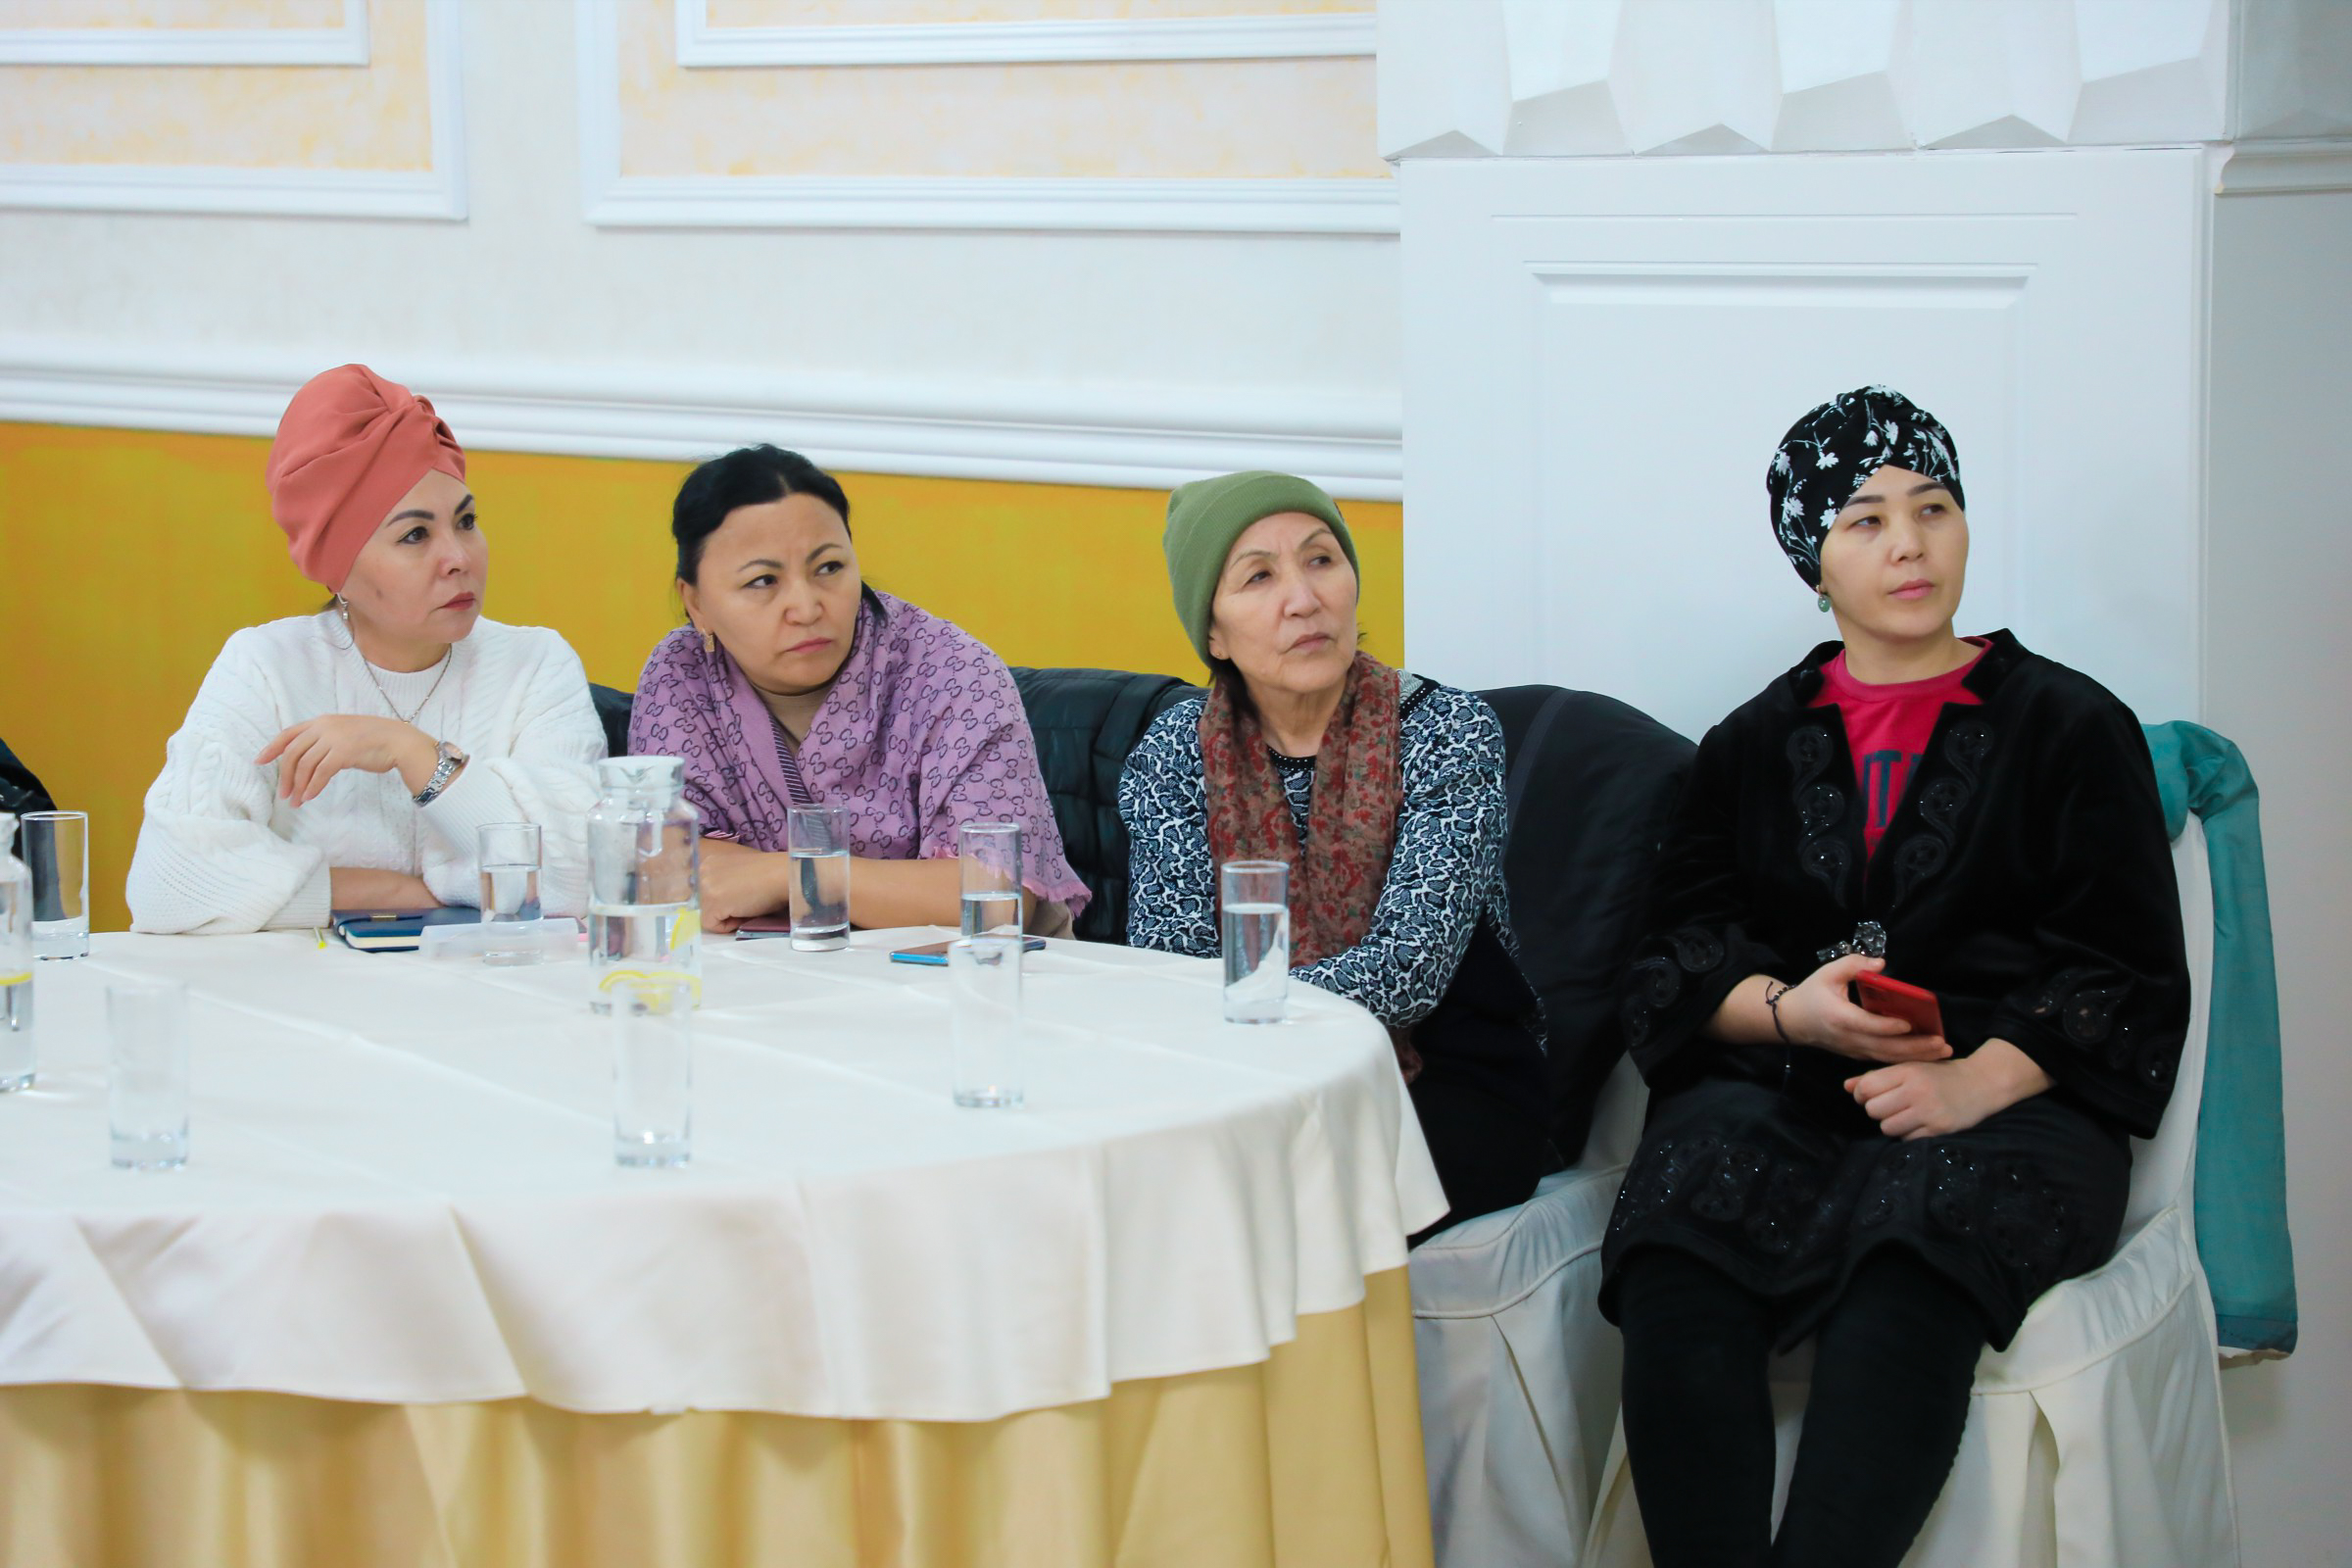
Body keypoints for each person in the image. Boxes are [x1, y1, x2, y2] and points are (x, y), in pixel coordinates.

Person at [1601, 388, 2189, 1567]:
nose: (1909, 544)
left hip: (2012, 1105)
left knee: (1912, 1253)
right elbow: (1669, 958)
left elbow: (2125, 970)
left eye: (1933, 508)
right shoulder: (1746, 744)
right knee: (1674, 1237)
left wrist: (1974, 1083)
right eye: (1864, 520)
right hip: (1784, 1087)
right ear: (1812, 561)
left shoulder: (2076, 726)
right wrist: (1789, 1015)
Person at [1119, 470, 1550, 1238]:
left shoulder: (1449, 733)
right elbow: (1170, 967)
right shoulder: (1172, 753)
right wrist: (1235, 1034)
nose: (1303, 599)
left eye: (1321, 559)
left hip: (1442, 1081)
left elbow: (1406, 974)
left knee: (1265, 1206)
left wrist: (1243, 1005)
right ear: (1213, 634)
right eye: (1258, 577)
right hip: (1236, 1083)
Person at [126, 366, 607, 933]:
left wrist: (411, 752)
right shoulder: (266, 667)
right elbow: (168, 886)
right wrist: (409, 893)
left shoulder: (536, 664)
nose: (459, 558)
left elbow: (580, 879)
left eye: (466, 521)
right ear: (339, 569)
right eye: (415, 535)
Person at [627, 445, 1087, 934]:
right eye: (763, 581)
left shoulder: (954, 674)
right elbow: (668, 865)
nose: (806, 608)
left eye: (829, 568)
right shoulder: (682, 674)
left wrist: (791, 876)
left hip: (970, 971)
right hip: (771, 970)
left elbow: (992, 899)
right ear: (695, 603)